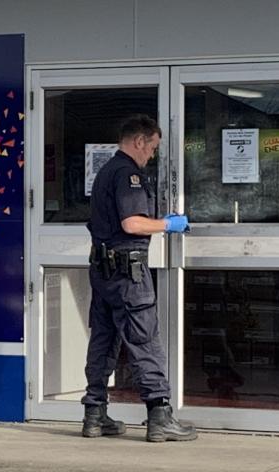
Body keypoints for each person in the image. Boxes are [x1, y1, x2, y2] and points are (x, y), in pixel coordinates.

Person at [81, 114, 197, 442]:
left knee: (103, 340)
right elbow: (133, 224)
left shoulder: (105, 171)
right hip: (128, 272)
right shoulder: (128, 174)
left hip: (103, 272)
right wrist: (169, 224)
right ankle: (160, 415)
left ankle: (94, 414)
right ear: (139, 141)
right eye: (153, 148)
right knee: (144, 339)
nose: (153, 155)